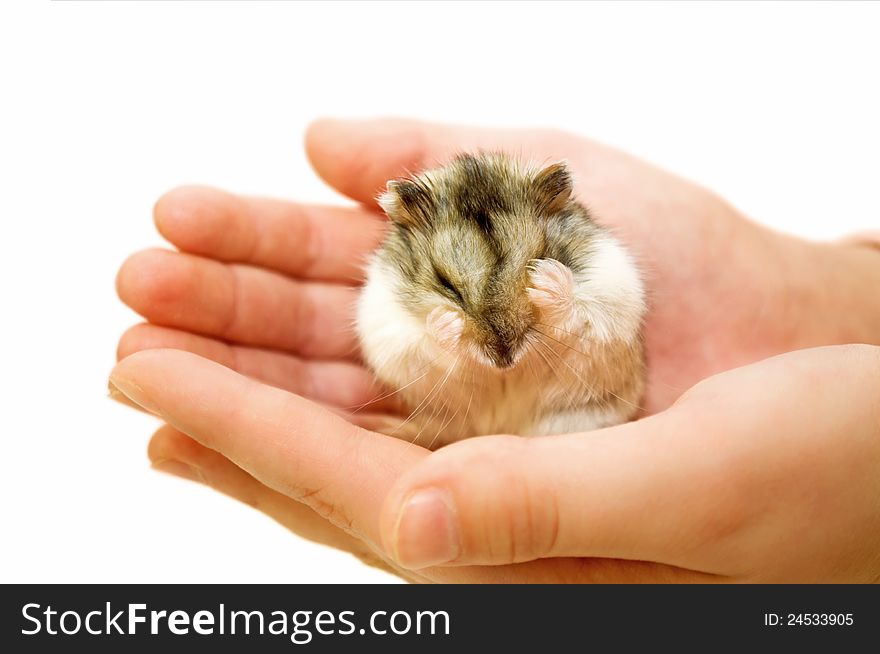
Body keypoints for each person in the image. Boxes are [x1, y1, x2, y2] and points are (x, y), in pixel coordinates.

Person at [110, 118, 880, 582]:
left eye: (523, 274)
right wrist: (438, 346)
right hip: (460, 423)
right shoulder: (392, 291)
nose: (499, 324)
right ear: (407, 235)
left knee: (583, 409)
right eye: (451, 282)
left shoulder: (596, 267)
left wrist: (571, 314)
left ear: (560, 210)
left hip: (574, 416)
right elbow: (394, 352)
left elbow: (610, 351)